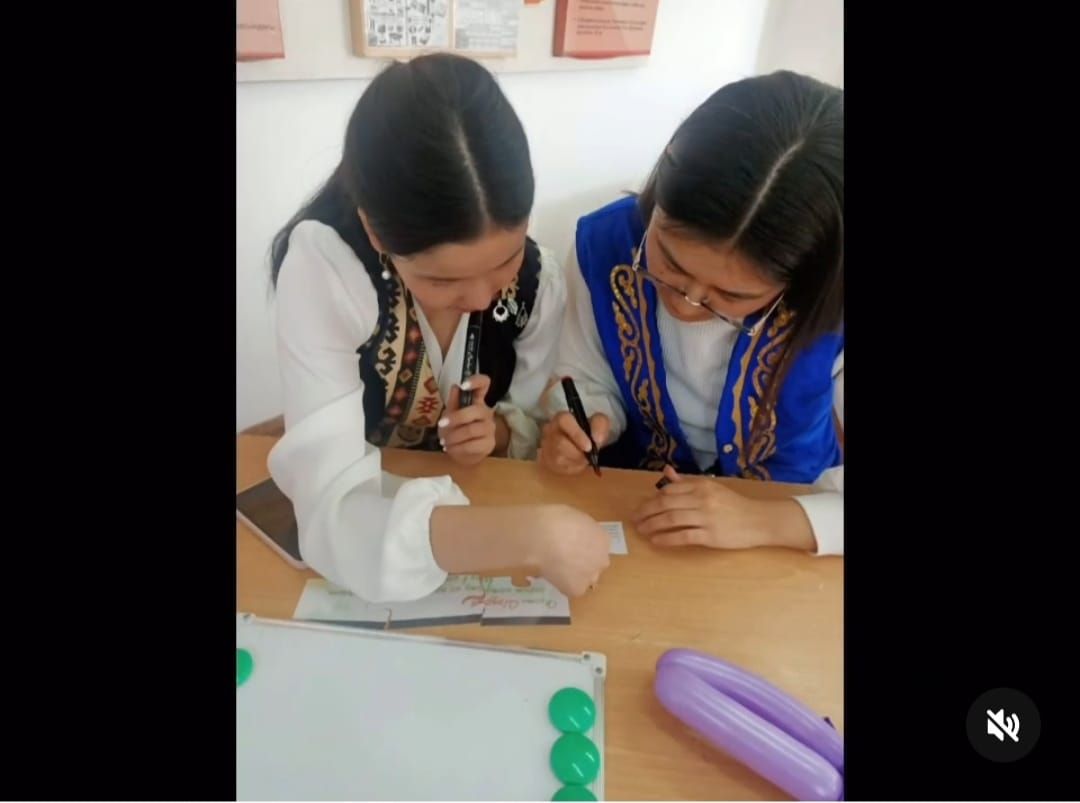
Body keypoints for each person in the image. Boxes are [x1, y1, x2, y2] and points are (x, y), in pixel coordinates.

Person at [266, 54, 610, 602]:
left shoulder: (538, 280)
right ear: (376, 233)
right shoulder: (327, 270)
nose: (480, 298)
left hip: (484, 498)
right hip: (385, 527)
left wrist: (499, 435)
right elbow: (330, 511)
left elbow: (529, 418)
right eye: (442, 279)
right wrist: (526, 538)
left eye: (504, 261)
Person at [540, 71, 844, 555]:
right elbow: (586, 374)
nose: (685, 304)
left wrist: (765, 522)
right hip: (639, 511)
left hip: (791, 530)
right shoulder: (604, 245)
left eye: (731, 297)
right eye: (669, 264)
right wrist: (591, 422)